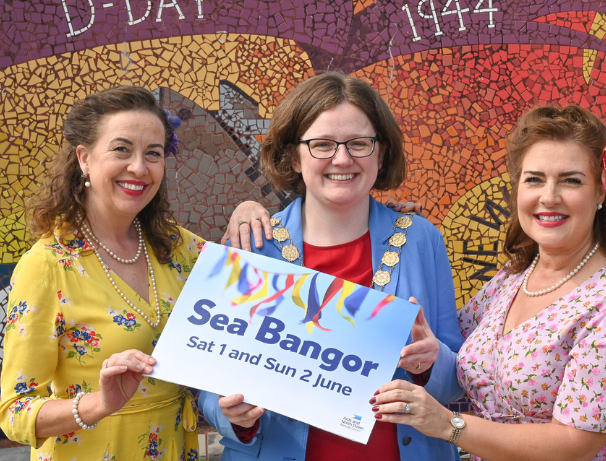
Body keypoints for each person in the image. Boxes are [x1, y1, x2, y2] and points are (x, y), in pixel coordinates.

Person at [371, 105, 606, 461]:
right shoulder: (512, 279)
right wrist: (399, 233)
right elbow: (462, 358)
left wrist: (447, 424)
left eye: (571, 180)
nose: (549, 197)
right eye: (534, 179)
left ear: (601, 191)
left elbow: (574, 445)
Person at [199, 71, 465, 461]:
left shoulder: (421, 240)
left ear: (382, 151)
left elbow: (456, 379)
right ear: (293, 155)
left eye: (359, 143)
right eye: (322, 144)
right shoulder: (254, 246)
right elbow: (207, 385)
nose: (342, 159)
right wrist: (232, 415)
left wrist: (430, 363)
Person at [0, 86, 201, 461]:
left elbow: (244, 299)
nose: (139, 167)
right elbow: (15, 412)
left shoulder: (182, 249)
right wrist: (98, 403)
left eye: (153, 154)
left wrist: (249, 213)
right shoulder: (47, 266)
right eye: (121, 149)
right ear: (84, 158)